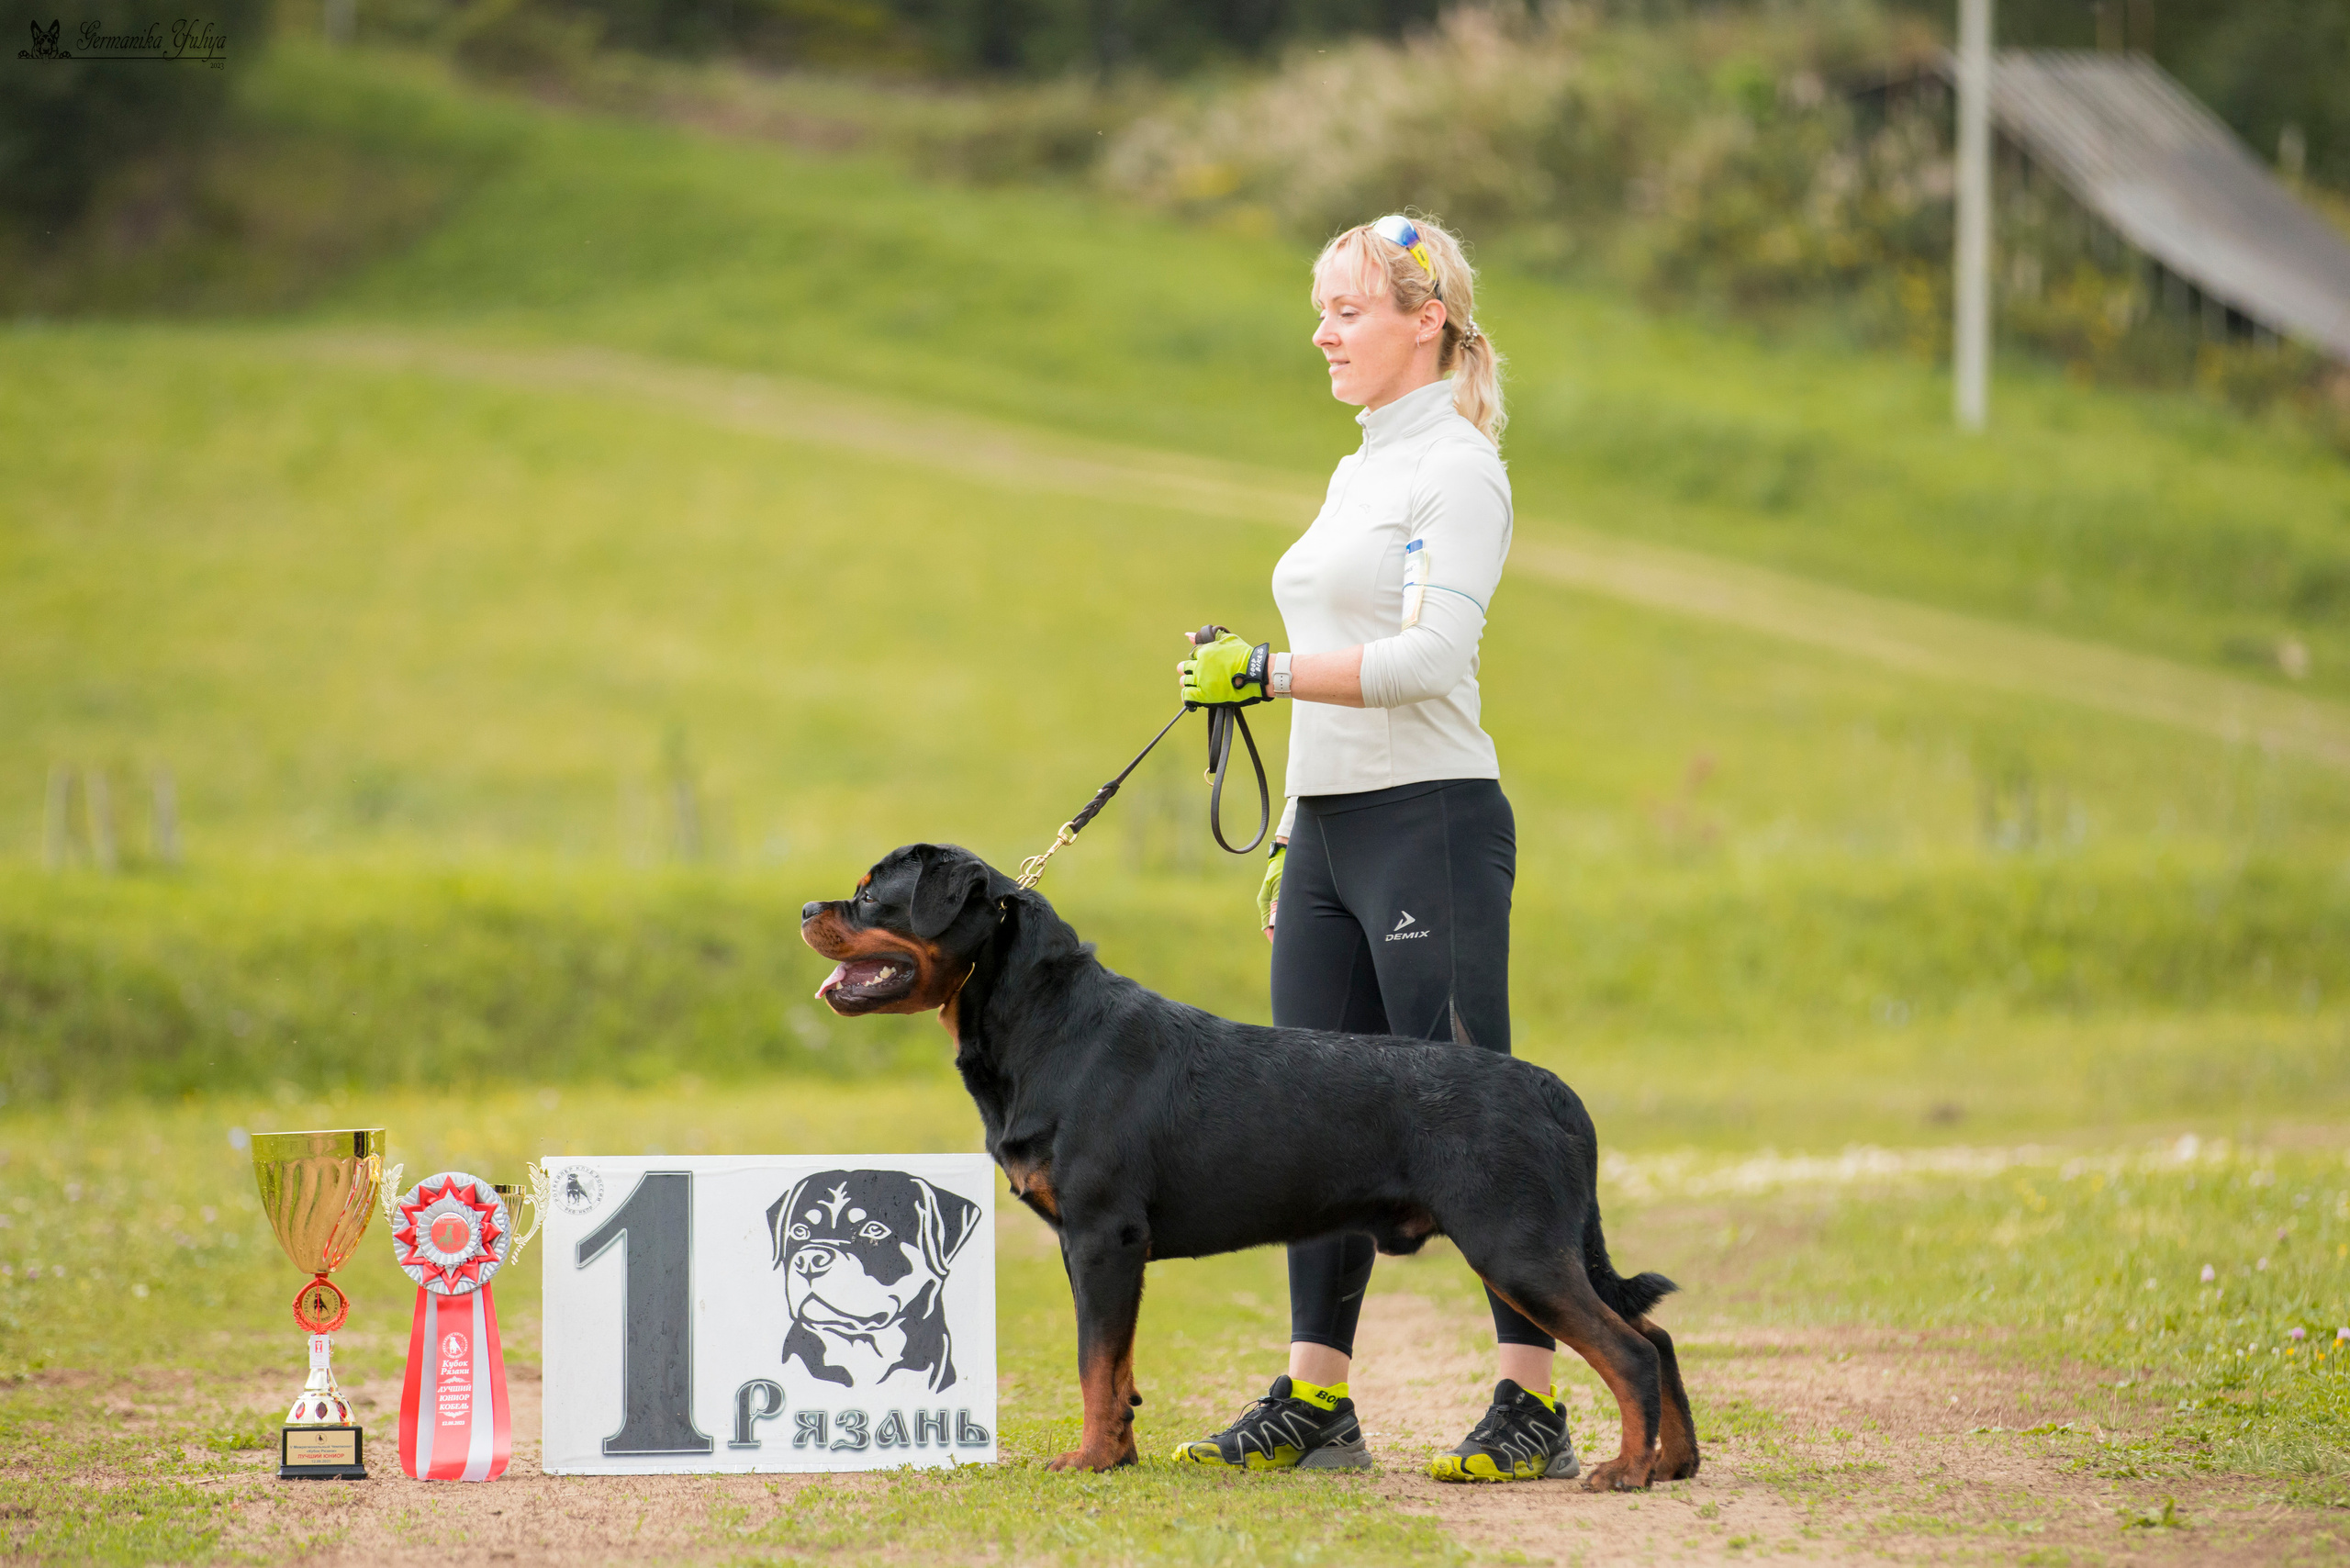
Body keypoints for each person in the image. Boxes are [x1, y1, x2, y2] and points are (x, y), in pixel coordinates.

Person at [1168, 215, 1573, 1484]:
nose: (1322, 331)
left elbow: (1429, 662)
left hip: (1430, 822)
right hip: (1334, 834)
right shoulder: (1361, 465)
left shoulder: (1457, 469)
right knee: (1303, 1120)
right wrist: (1294, 832)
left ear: (1427, 321)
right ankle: (1316, 1401)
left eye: (1347, 310)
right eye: (1320, 308)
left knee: (1470, 1114)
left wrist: (1273, 672)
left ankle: (1535, 1405)